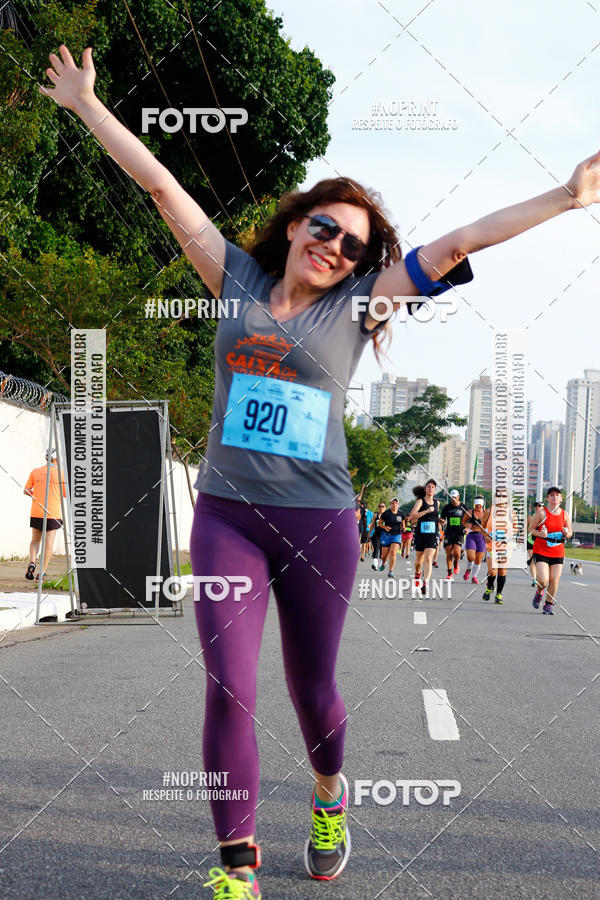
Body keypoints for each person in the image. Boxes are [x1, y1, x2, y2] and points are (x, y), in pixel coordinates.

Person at [39, 44, 600, 898]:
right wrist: (86, 104)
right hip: (227, 514)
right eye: (325, 226)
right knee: (229, 686)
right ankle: (237, 869)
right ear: (297, 223)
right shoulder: (233, 276)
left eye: (354, 243)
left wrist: (567, 196)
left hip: (320, 524)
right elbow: (160, 186)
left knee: (312, 689)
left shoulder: (361, 305)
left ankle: (330, 794)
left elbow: (455, 244)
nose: (335, 245)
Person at [23, 449, 66, 584]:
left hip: (37, 511)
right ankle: (41, 573)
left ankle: (32, 562)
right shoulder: (61, 474)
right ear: (56, 460)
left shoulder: (35, 471)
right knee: (49, 542)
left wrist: (37, 493)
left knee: (35, 540)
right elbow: (65, 494)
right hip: (52, 513)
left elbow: (26, 490)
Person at [529, 487, 572, 614]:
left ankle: (548, 604)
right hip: (541, 550)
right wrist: (540, 534)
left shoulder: (565, 514)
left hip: (558, 551)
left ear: (561, 499)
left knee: (555, 579)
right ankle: (539, 592)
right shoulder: (542, 513)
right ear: (547, 498)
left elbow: (570, 532)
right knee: (543, 580)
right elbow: (531, 529)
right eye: (551, 495)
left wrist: (566, 532)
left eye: (557, 495)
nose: (554, 497)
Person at [480, 487, 513, 604]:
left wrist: (509, 538)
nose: (501, 498)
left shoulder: (511, 512)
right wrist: (485, 536)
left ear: (507, 498)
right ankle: (490, 587)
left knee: (502, 571)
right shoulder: (488, 511)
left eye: (503, 496)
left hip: (505, 546)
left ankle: (499, 594)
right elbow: (482, 528)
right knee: (492, 571)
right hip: (491, 546)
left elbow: (516, 530)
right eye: (498, 495)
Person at [410, 480, 439, 595]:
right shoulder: (420, 501)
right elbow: (412, 515)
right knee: (418, 561)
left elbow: (435, 517)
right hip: (420, 534)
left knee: (428, 559)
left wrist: (439, 520)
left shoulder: (437, 503)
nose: (430, 489)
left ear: (435, 489)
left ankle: (425, 582)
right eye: (428, 486)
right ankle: (417, 574)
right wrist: (427, 511)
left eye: (432, 487)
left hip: (432, 535)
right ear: (425, 489)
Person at [439, 490, 466, 580]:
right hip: (449, 532)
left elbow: (470, 518)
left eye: (455, 497)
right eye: (452, 497)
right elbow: (442, 517)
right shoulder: (447, 507)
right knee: (449, 552)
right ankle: (449, 572)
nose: (453, 499)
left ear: (458, 497)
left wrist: (467, 527)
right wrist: (442, 521)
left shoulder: (463, 507)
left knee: (457, 552)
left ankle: (456, 563)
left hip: (459, 533)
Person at [462, 498, 487, 583]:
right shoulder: (470, 512)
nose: (477, 507)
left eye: (479, 505)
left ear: (482, 505)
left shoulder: (486, 513)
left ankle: (474, 577)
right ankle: (468, 569)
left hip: (482, 537)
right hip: (472, 535)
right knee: (471, 557)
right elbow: (464, 521)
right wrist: (467, 526)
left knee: (479, 559)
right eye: (476, 505)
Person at [378, 497, 404, 577]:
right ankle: (383, 562)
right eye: (392, 503)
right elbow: (380, 523)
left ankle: (390, 571)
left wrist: (403, 527)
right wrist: (385, 527)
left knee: (393, 553)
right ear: (390, 504)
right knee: (384, 556)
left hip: (396, 535)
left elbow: (403, 524)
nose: (394, 505)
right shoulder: (386, 513)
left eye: (396, 503)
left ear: (398, 505)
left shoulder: (401, 514)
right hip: (386, 535)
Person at [527, 501, 543, 586]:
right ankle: (534, 579)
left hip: (540, 542)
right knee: (532, 560)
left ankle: (538, 577)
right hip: (530, 541)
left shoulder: (545, 518)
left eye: (539, 506)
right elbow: (525, 528)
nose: (537, 507)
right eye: (536, 506)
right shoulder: (530, 517)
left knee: (538, 561)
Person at [371, 502, 386, 568]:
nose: (381, 508)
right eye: (380, 506)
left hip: (384, 536)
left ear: (385, 507)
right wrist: (369, 534)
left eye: (382, 506)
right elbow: (372, 525)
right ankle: (375, 564)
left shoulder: (387, 515)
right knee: (376, 549)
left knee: (382, 552)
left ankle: (380, 564)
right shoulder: (376, 515)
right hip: (376, 535)